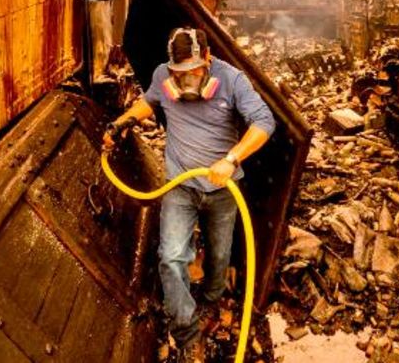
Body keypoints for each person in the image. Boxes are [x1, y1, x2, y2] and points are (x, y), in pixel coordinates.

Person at [103, 27, 275, 363]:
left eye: (195, 72)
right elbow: (150, 101)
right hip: (180, 186)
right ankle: (186, 332)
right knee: (171, 257)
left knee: (219, 257)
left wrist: (231, 159)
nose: (187, 80)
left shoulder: (232, 80)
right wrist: (122, 122)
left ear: (208, 59)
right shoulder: (162, 77)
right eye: (180, 73)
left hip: (223, 190)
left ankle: (211, 301)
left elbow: (264, 122)